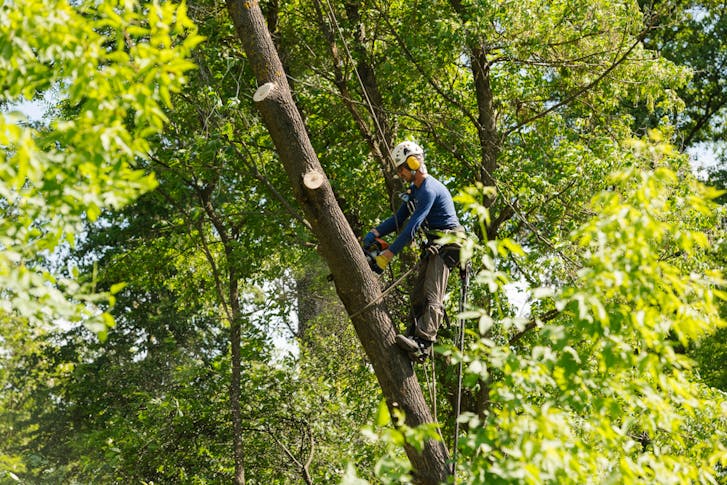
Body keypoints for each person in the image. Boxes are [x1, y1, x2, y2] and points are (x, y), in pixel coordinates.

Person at [362, 141, 464, 361]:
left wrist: (387, 256)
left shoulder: (428, 189)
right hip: (435, 244)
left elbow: (412, 228)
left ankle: (424, 342)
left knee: (431, 294)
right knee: (417, 295)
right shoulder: (414, 191)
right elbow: (399, 219)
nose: (400, 174)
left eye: (402, 169)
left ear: (413, 162)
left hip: (449, 245)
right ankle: (412, 335)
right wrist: (375, 233)